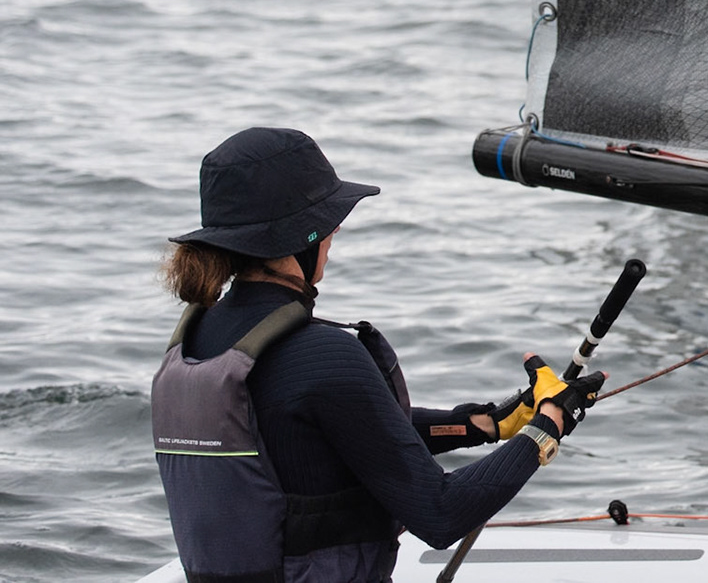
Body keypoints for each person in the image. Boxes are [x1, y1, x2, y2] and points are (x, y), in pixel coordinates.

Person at [152, 127, 601, 583]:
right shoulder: (322, 354)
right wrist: (548, 424)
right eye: (329, 219)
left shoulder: (196, 343)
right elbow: (442, 513)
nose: (336, 229)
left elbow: (338, 429)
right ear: (299, 238)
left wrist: (484, 424)